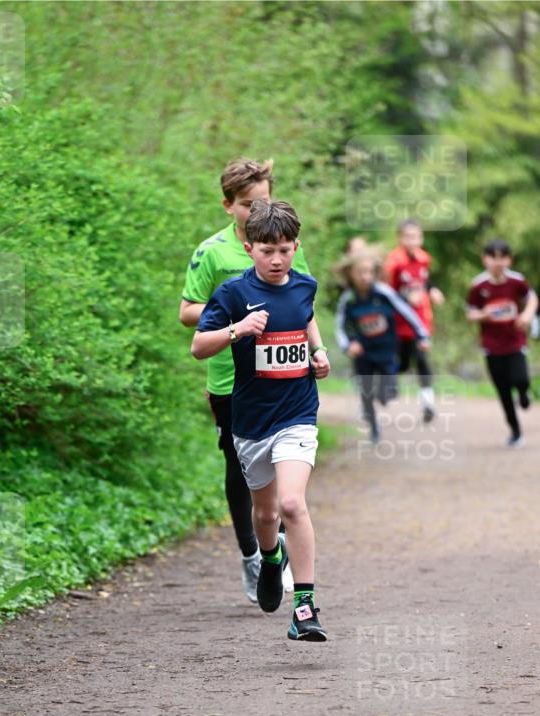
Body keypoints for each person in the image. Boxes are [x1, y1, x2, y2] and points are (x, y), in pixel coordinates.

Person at [191, 200, 330, 642]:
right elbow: (198, 346)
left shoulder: (305, 286)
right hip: (251, 422)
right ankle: (271, 559)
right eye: (268, 250)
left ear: (295, 247)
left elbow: (306, 319)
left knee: (292, 505)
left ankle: (304, 606)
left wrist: (319, 352)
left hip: (298, 414)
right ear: (249, 248)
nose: (277, 259)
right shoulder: (232, 294)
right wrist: (239, 329)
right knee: (266, 513)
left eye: (286, 250)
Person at [179, 158, 311, 603]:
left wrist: (316, 349)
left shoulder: (284, 241)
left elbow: (301, 299)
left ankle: (274, 552)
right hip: (229, 377)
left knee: (285, 475)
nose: (259, 210)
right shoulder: (212, 252)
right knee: (241, 468)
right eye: (249, 205)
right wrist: (238, 312)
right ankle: (252, 553)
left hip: (283, 379)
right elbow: (187, 313)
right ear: (228, 206)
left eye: (266, 201)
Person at [334, 249, 430, 443]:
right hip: (363, 352)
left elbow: (407, 312)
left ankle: (384, 395)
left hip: (386, 350)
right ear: (351, 274)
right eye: (360, 272)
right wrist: (347, 345)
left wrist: (422, 335)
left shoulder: (384, 292)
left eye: (369, 272)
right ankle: (374, 430)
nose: (365, 276)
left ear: (375, 273)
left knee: (389, 391)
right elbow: (340, 326)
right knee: (366, 392)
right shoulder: (348, 299)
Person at [466, 238, 538, 447]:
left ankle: (524, 393)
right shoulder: (478, 285)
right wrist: (482, 315)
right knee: (503, 390)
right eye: (493, 258)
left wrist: (526, 315)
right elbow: (470, 313)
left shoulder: (517, 281)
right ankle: (515, 431)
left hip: (515, 341)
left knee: (521, 378)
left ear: (509, 260)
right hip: (491, 346)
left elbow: (532, 299)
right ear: (484, 260)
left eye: (502, 258)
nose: (498, 262)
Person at [385, 219, 444, 422]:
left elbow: (424, 281)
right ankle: (385, 386)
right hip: (398, 324)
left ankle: (428, 404)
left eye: (417, 236)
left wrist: (432, 290)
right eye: (408, 237)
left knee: (422, 361)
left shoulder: (424, 258)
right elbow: (386, 293)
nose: (413, 241)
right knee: (401, 364)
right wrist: (405, 298)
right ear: (400, 238)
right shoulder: (393, 262)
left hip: (420, 322)